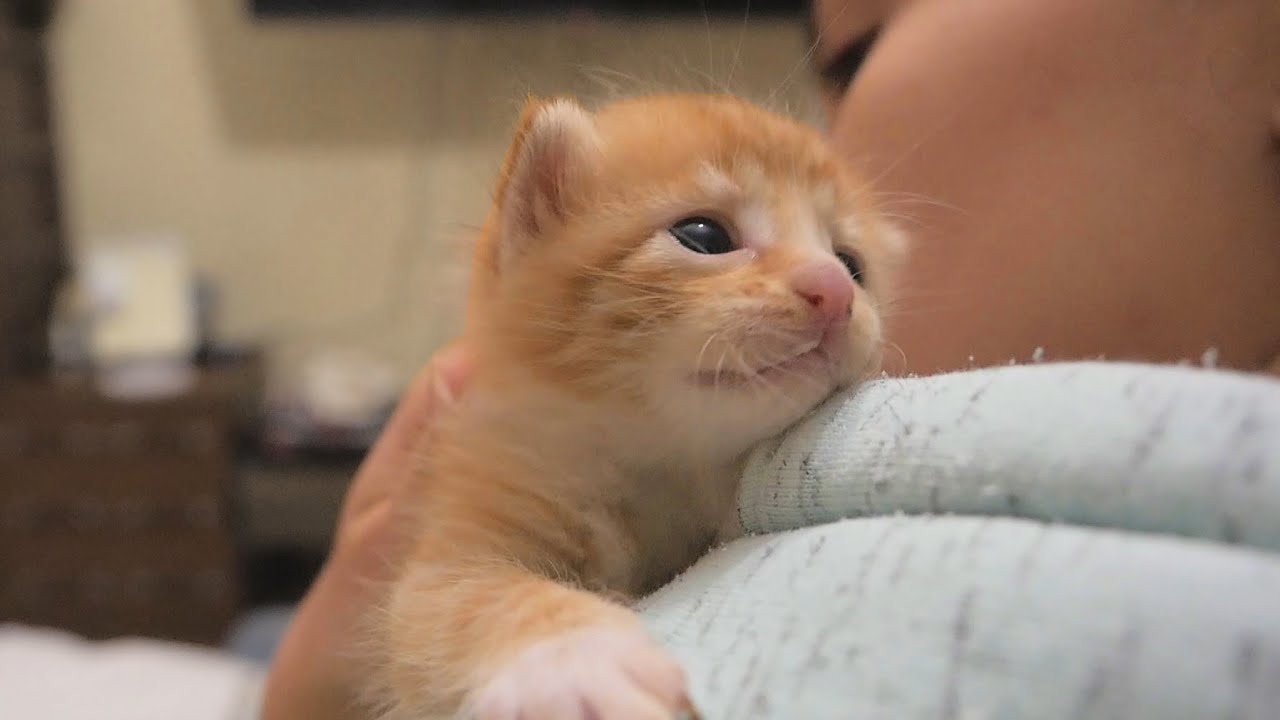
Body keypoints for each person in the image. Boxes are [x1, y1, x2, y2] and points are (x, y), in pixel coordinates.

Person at [261, 1, 1280, 717]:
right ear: (532, 227)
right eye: (706, 236)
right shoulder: (523, 462)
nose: (828, 288)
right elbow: (452, 592)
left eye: (848, 259)